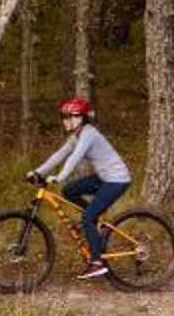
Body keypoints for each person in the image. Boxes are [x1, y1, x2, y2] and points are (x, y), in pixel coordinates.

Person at [32, 96, 131, 279]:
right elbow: (59, 155)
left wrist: (59, 176)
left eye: (72, 116)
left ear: (82, 118)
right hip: (104, 178)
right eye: (65, 116)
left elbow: (75, 157)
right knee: (69, 191)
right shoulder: (75, 137)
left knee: (87, 217)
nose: (67, 120)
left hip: (117, 180)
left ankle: (97, 263)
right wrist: (37, 172)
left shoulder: (89, 133)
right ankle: (93, 219)